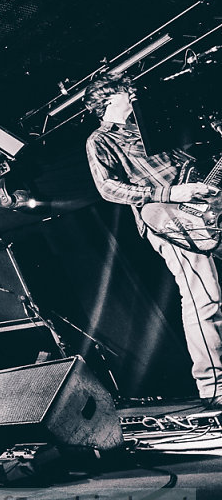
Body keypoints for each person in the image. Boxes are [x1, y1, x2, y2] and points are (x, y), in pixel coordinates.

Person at [84, 72, 222, 405]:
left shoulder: (153, 126)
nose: (132, 95)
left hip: (207, 210)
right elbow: (108, 188)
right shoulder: (100, 140)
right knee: (204, 298)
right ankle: (214, 385)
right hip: (170, 218)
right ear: (105, 101)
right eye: (123, 92)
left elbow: (188, 167)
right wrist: (172, 192)